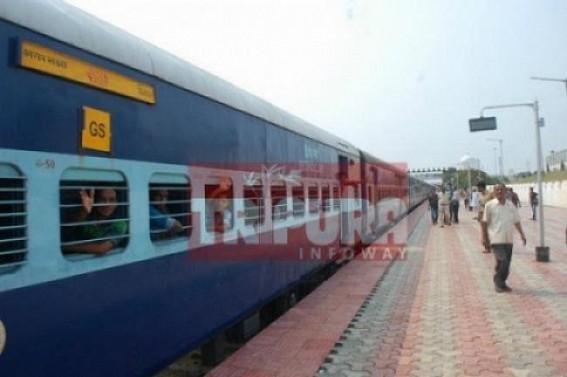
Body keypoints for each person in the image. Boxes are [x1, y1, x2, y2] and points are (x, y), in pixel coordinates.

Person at [481, 184, 526, 293]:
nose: (500, 191)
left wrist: (522, 234)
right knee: (503, 260)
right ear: (494, 192)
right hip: (495, 238)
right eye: (497, 190)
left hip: (508, 238)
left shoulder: (510, 206)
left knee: (506, 263)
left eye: (502, 189)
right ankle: (497, 280)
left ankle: (502, 283)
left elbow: (516, 221)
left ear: (506, 191)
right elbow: (484, 222)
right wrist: (484, 237)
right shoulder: (489, 205)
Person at [63, 188, 128, 255]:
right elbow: (65, 231)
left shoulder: (119, 224)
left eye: (112, 200)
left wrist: (65, 247)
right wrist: (84, 212)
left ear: (117, 203)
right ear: (95, 200)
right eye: (102, 200)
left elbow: (102, 248)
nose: (107, 204)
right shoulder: (84, 215)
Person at [477, 181, 493, 253]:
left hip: (489, 214)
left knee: (489, 231)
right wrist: (478, 216)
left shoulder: (490, 194)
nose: (478, 189)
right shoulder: (480, 195)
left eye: (478, 187)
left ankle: (491, 246)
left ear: (481, 187)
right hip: (482, 214)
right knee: (484, 232)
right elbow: (480, 205)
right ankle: (487, 246)